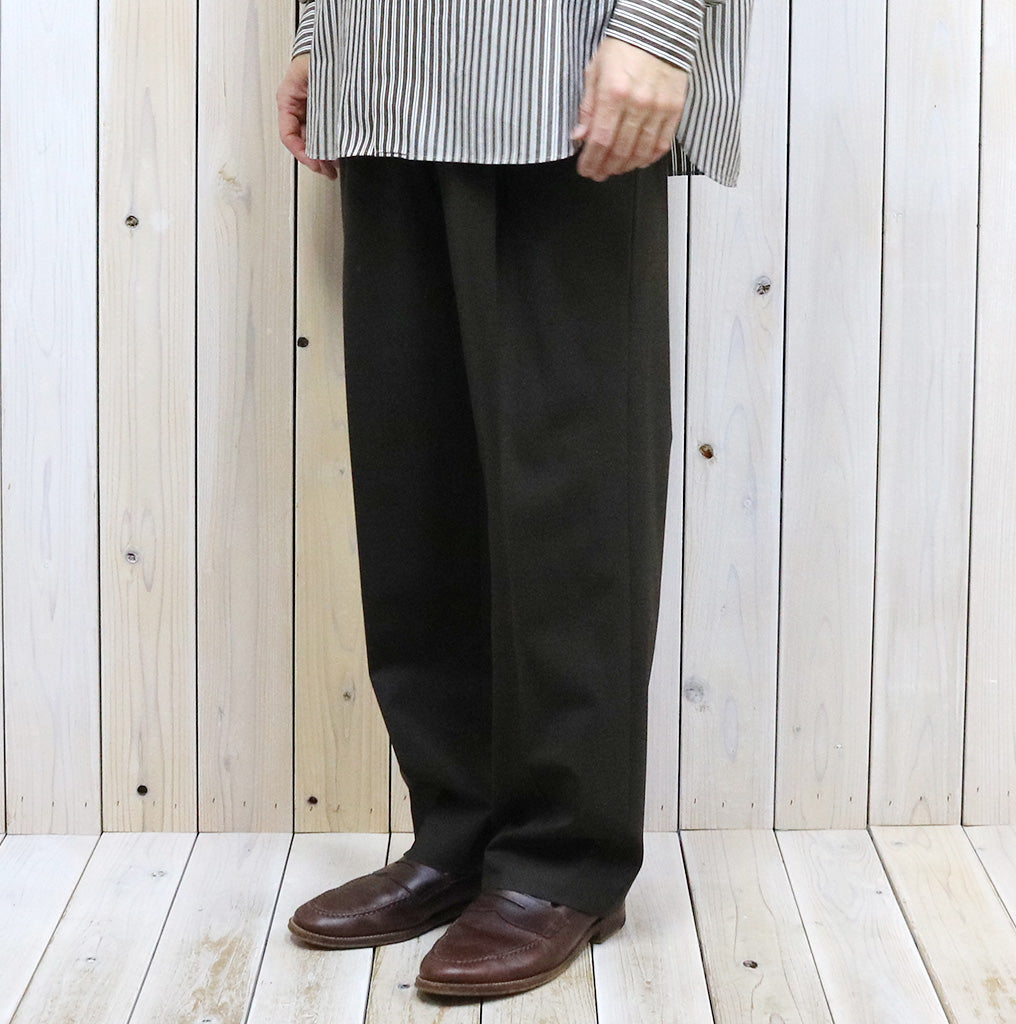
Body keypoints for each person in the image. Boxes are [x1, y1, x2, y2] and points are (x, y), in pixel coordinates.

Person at [276, 0, 752, 999]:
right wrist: (320, 33)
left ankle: (560, 862)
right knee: (416, 468)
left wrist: (659, 27)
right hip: (382, 58)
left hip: (559, 62)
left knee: (569, 469)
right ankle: (461, 835)